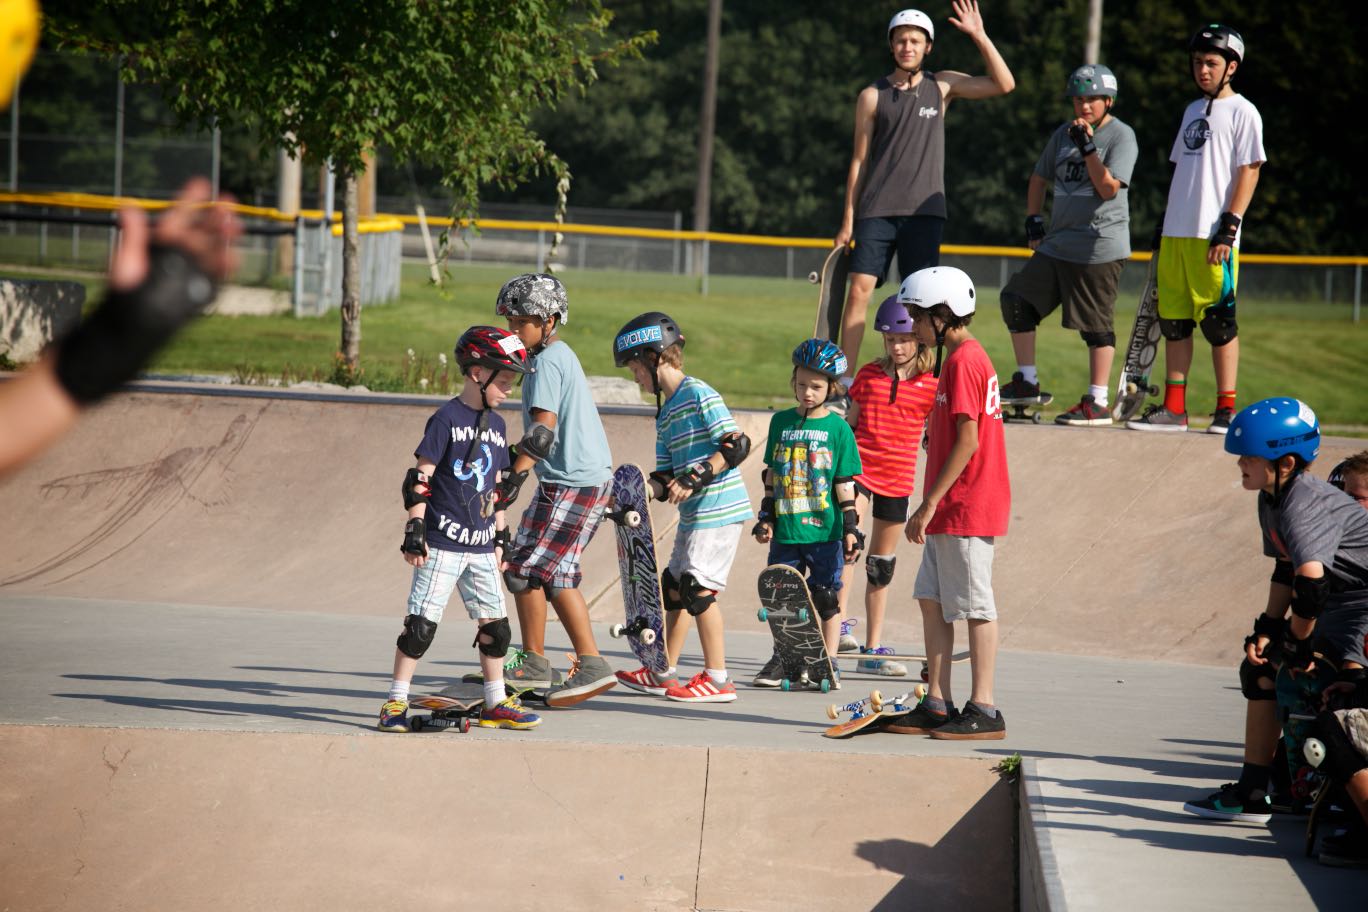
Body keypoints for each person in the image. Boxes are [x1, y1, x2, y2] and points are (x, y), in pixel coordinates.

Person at [1182, 399, 1368, 823]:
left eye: (1249, 457)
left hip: (1360, 607)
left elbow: (1312, 585)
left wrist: (1299, 642)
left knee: (1343, 685)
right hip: (1340, 603)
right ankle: (1253, 791)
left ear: (1285, 462)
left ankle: (1338, 797)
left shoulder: (1304, 501)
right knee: (1261, 666)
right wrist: (1267, 628)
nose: (1240, 464)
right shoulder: (1273, 498)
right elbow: (1286, 568)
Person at [832, 1, 1014, 395]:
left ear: (927, 46)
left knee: (923, 304)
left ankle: (919, 383)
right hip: (877, 210)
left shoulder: (941, 86)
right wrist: (847, 220)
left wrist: (979, 35)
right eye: (901, 40)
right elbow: (859, 161)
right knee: (859, 290)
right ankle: (844, 383)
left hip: (924, 213)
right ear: (891, 45)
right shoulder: (871, 96)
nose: (907, 47)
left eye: (915, 41)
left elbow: (1004, 84)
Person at [377, 326, 542, 732]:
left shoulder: (498, 426)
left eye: (512, 382)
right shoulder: (446, 419)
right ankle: (395, 701)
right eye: (503, 380)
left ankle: (495, 702)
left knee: (497, 629)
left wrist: (501, 536)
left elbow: (497, 490)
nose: (509, 389)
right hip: (442, 544)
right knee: (420, 628)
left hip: (482, 546)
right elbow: (420, 478)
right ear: (477, 373)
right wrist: (415, 527)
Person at [1128, 24, 1264, 434]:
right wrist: (1164, 223)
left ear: (1231, 67)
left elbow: (1250, 170)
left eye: (1211, 63)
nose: (1202, 70)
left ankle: (1226, 410)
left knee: (1219, 323)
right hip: (1177, 234)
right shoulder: (1191, 110)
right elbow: (1182, 173)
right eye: (1197, 62)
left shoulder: (1243, 111)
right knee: (1174, 323)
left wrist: (1230, 227)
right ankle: (1175, 410)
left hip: (1212, 236)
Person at [611, 312, 753, 703]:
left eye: (636, 369)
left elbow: (736, 444)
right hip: (694, 515)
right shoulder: (667, 413)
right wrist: (638, 492)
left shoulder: (699, 393)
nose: (636, 379)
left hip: (720, 509)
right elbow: (665, 475)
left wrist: (695, 477)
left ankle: (718, 678)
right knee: (673, 588)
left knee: (696, 589)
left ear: (655, 358)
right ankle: (662, 670)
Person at [491, 273, 618, 707]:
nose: (514, 330)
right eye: (510, 321)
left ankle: (564, 663)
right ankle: (547, 663)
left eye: (522, 322)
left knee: (524, 569)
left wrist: (515, 476)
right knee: (554, 573)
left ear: (548, 321)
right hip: (575, 479)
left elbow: (543, 431)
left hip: (573, 482)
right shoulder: (553, 356)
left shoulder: (546, 362)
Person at [896, 266, 1010, 740]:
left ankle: (984, 707)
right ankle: (937, 701)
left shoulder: (965, 362)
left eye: (918, 317)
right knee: (932, 600)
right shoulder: (958, 360)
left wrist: (928, 504)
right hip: (951, 507)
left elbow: (969, 441)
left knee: (976, 606)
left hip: (965, 505)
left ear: (942, 316)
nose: (914, 327)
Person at [998, 64, 1138, 426]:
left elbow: (1107, 189)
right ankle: (1026, 382)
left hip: (1098, 246)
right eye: (1078, 100)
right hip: (1058, 244)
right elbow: (1038, 177)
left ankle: (1098, 402)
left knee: (1095, 326)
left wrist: (1088, 148)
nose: (1084, 106)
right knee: (1017, 300)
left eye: (1092, 99)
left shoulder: (1121, 136)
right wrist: (1034, 220)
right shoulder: (1063, 134)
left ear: (1108, 101)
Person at [752, 339, 864, 685]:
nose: (807, 393)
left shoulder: (838, 428)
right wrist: (766, 517)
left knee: (826, 597)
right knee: (781, 598)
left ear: (831, 387)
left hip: (824, 531)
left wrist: (850, 527)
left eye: (815, 386)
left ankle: (828, 661)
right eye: (801, 385)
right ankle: (784, 657)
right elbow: (772, 475)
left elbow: (844, 482)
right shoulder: (781, 422)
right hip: (786, 530)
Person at [838, 295, 937, 676]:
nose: (896, 347)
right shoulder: (868, 375)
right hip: (860, 474)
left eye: (904, 340)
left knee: (880, 566)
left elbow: (933, 434)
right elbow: (851, 425)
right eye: (890, 340)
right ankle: (838, 627)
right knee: (848, 547)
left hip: (897, 480)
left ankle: (872, 649)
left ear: (919, 340)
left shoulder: (932, 385)